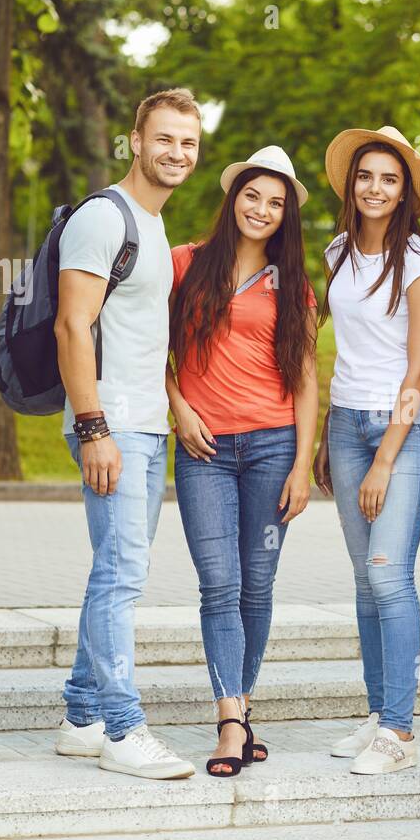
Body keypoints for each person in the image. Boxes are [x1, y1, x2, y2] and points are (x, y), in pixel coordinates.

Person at [52, 88, 201, 779]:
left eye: (189, 143)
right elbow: (71, 325)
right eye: (165, 138)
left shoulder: (153, 222)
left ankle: (82, 716)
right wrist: (92, 429)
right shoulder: (102, 217)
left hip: (145, 426)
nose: (177, 152)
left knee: (116, 570)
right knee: (122, 574)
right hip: (112, 425)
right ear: (136, 140)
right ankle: (123, 729)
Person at [167, 146, 319, 777]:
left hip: (273, 446)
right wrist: (177, 405)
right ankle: (230, 719)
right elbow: (151, 350)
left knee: (257, 586)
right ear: (233, 200)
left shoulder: (296, 286)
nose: (262, 210)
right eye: (252, 196)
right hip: (203, 449)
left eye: (276, 203)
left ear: (286, 216)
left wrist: (303, 465)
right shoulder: (185, 263)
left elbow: (307, 378)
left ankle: (241, 706)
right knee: (219, 585)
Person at [313, 125, 420, 774]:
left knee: (391, 577)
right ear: (352, 183)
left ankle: (401, 733)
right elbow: (336, 345)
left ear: (404, 192)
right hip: (344, 426)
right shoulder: (337, 250)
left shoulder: (419, 263)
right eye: (366, 176)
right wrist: (322, 435)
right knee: (366, 582)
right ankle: (376, 714)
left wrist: (387, 458)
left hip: (402, 431)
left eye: (389, 179)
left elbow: (419, 371)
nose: (375, 188)